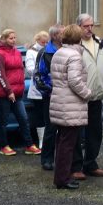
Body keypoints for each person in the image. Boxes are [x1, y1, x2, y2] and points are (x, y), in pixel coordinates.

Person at [49, 24, 91, 190]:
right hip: (70, 104)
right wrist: (87, 93)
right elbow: (74, 81)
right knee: (68, 144)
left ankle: (61, 177)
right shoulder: (74, 55)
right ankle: (62, 179)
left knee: (62, 142)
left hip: (60, 101)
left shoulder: (59, 52)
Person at [0, 28, 41, 156]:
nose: (13, 40)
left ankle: (29, 145)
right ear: (4, 39)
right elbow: (1, 75)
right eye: (10, 38)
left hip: (17, 93)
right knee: (4, 121)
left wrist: (21, 85)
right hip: (3, 94)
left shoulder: (17, 52)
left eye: (14, 38)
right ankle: (4, 146)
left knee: (23, 119)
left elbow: (20, 70)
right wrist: (9, 91)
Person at [75, 13, 103, 178]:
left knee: (95, 132)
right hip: (79, 97)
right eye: (86, 26)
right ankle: (75, 167)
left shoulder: (99, 42)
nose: (89, 29)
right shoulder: (74, 44)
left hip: (96, 95)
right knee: (76, 134)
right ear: (79, 27)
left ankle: (91, 164)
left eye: (91, 25)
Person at [36, 25, 62, 171]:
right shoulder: (45, 52)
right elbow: (38, 76)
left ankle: (62, 159)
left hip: (66, 96)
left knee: (64, 130)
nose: (64, 35)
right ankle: (46, 159)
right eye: (61, 33)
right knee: (51, 129)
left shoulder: (67, 50)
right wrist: (49, 90)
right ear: (54, 36)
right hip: (51, 95)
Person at [25, 30, 50, 146]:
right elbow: (30, 69)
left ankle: (49, 140)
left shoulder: (49, 49)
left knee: (49, 116)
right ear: (38, 40)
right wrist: (42, 71)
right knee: (40, 116)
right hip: (37, 89)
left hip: (49, 88)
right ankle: (41, 140)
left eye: (46, 42)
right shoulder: (31, 52)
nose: (45, 44)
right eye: (43, 42)